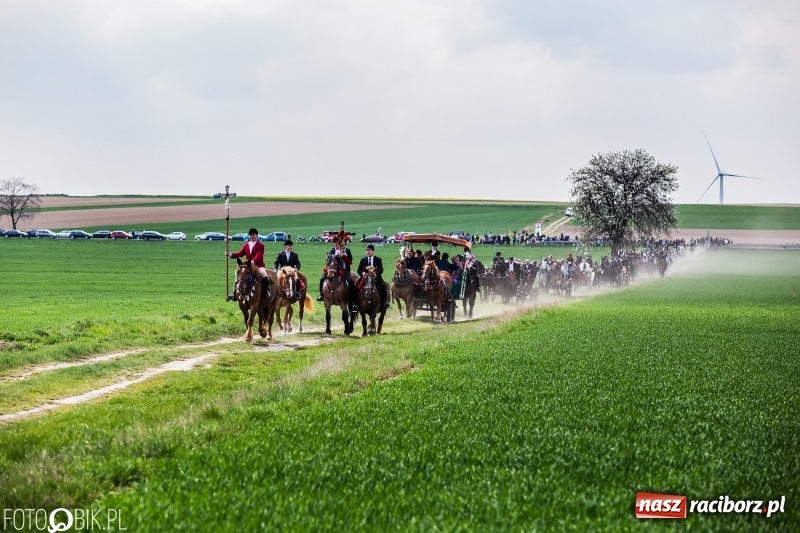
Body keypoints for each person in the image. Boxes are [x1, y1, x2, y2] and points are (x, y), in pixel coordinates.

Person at [226, 228, 270, 301]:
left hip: (258, 266)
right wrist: (230, 254)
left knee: (263, 273)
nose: (252, 236)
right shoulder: (246, 245)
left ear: (257, 236)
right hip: (248, 266)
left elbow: (259, 255)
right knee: (237, 274)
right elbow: (240, 253)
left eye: (254, 235)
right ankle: (234, 293)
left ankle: (267, 290)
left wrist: (252, 261)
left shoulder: (260, 245)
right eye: (251, 235)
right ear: (249, 236)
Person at [317, 237, 356, 310]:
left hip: (344, 270)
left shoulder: (347, 250)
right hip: (333, 270)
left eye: (337, 243)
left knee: (350, 281)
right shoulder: (332, 250)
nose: (336, 245)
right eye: (334, 243)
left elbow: (350, 261)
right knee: (322, 279)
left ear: (340, 244)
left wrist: (344, 256)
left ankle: (351, 297)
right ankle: (321, 295)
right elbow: (328, 259)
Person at [357, 244, 390, 309]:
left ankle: (385, 301)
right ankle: (355, 304)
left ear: (373, 251)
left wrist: (375, 274)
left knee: (383, 287)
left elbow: (381, 269)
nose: (368, 252)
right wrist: (363, 273)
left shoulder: (378, 259)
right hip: (365, 278)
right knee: (356, 288)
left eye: (369, 251)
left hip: (376, 278)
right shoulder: (363, 259)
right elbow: (359, 270)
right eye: (367, 251)